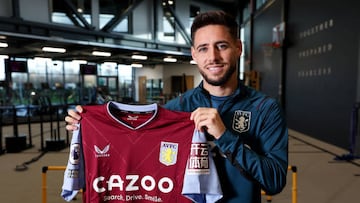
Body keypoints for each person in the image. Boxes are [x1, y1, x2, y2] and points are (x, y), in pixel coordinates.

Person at [65, 10, 288, 203]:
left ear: (238, 48)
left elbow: (275, 181)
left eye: (222, 46)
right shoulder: (177, 108)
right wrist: (88, 128)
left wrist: (224, 136)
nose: (213, 56)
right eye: (203, 48)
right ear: (194, 55)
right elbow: (135, 153)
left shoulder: (265, 109)